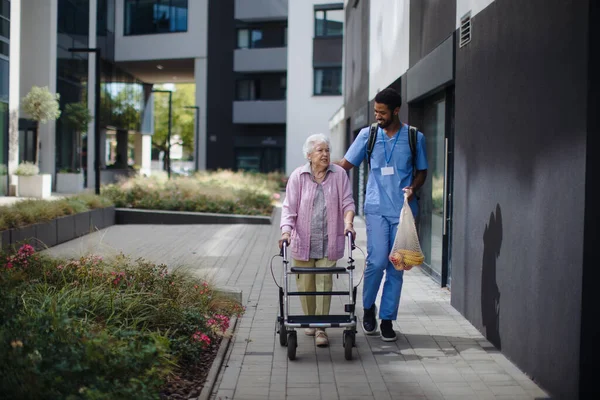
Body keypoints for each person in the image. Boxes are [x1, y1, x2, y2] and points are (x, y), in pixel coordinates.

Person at [335, 88, 428, 342]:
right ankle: (368, 308)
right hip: (375, 209)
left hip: (403, 211)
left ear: (396, 111)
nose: (377, 116)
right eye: (375, 111)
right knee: (377, 261)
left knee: (397, 265)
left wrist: (413, 187)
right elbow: (345, 165)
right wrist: (318, 167)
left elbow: (422, 171)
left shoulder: (413, 137)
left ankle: (387, 319)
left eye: (382, 112)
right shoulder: (368, 135)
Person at [279, 133, 356, 347]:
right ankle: (309, 320)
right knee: (305, 284)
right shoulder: (298, 176)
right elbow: (289, 208)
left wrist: (348, 224)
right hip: (303, 241)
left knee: (324, 283)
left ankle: (321, 327)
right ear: (309, 155)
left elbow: (348, 203)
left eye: (327, 150)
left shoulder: (339, 174)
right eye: (320, 151)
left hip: (329, 241)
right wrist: (286, 232)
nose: (325, 154)